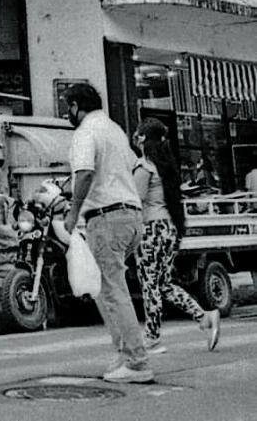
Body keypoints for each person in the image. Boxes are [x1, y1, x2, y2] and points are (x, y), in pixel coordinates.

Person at [63, 82, 152, 384]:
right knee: (106, 288)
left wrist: (73, 212)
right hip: (131, 215)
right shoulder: (114, 129)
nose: (68, 113)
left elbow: (85, 171)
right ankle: (124, 353)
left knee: (113, 290)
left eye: (68, 107)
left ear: (76, 106)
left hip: (106, 217)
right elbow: (132, 166)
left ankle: (137, 362)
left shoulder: (85, 132)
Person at [133, 118, 219, 353]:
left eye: (137, 134)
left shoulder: (144, 167)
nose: (134, 137)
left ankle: (152, 337)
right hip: (169, 228)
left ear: (142, 139)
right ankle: (204, 317)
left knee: (150, 285)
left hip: (150, 229)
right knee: (163, 284)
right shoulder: (166, 167)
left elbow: (136, 202)